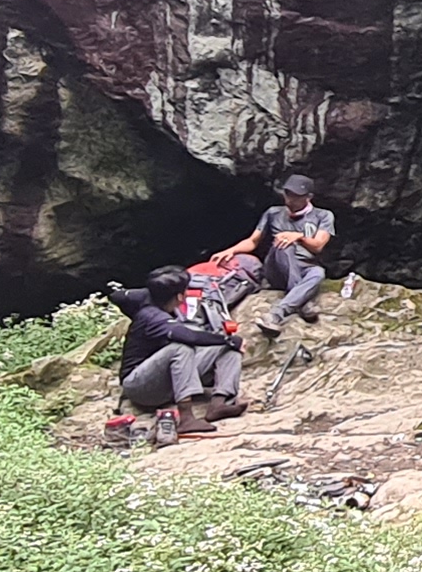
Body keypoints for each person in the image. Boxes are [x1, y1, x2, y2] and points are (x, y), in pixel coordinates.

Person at [103, 266, 240, 443]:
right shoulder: (153, 317)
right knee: (181, 347)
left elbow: (117, 296)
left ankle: (220, 403)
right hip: (140, 386)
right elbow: (188, 336)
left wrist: (230, 343)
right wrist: (227, 339)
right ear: (180, 297)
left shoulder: (146, 297)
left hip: (166, 378)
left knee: (229, 350)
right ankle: (186, 418)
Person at [221, 174, 337, 330]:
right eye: (288, 194)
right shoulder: (273, 213)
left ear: (308, 197)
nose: (290, 199)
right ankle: (302, 301)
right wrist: (230, 251)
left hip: (303, 265)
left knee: (318, 272)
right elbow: (253, 241)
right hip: (276, 267)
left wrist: (299, 237)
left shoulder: (323, 215)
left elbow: (318, 246)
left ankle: (277, 314)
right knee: (283, 244)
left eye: (296, 196)